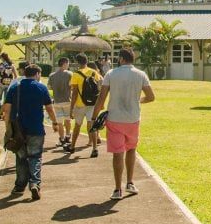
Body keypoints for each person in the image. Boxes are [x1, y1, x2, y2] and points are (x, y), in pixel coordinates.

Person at [91, 49, 155, 200]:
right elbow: (151, 97)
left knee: (117, 153)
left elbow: (101, 99)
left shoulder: (111, 74)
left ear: (121, 59)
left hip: (115, 118)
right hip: (133, 119)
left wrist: (93, 118)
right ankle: (130, 182)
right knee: (131, 149)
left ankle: (117, 189)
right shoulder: (141, 74)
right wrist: (138, 101)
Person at [2, 64, 58, 200]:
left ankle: (20, 186)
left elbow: (6, 109)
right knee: (36, 157)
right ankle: (34, 183)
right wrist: (55, 123)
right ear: (37, 74)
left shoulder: (15, 87)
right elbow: (49, 108)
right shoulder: (41, 87)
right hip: (36, 128)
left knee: (21, 157)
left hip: (19, 129)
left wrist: (7, 127)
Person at [66, 54, 102, 157]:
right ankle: (94, 148)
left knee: (77, 125)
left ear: (77, 62)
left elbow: (75, 93)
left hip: (80, 104)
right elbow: (99, 87)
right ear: (87, 61)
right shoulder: (93, 72)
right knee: (92, 126)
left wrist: (71, 108)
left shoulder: (76, 75)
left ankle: (72, 146)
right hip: (92, 104)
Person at [48, 58, 73, 147]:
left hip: (57, 101)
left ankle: (62, 138)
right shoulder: (69, 74)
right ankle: (67, 136)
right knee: (67, 120)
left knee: (59, 122)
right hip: (67, 100)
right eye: (68, 63)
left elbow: (49, 87)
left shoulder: (52, 75)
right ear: (64, 63)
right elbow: (72, 86)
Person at [0, 53, 16, 120]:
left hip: (0, 84)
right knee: (6, 100)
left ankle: (1, 113)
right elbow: (15, 76)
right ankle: (4, 113)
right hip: (9, 84)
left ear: (2, 58)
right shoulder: (12, 65)